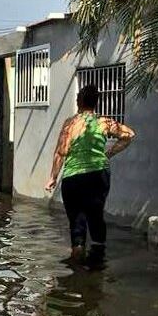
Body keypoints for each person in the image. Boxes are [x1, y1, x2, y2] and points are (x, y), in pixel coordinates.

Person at [45, 84, 135, 266]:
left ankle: (77, 254)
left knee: (76, 219)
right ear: (95, 103)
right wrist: (109, 153)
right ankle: (97, 258)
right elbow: (129, 135)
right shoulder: (104, 122)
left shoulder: (70, 123)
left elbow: (61, 152)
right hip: (98, 175)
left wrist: (53, 177)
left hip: (73, 178)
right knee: (96, 215)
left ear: (79, 101)